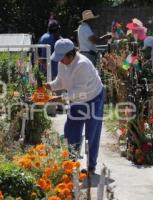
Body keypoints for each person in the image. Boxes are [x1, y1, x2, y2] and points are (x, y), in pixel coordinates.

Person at [44, 38, 105, 173]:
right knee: (71, 130)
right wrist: (49, 86)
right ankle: (71, 161)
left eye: (62, 57)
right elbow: (61, 81)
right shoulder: (63, 64)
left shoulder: (82, 64)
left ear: (71, 55)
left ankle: (91, 166)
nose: (60, 60)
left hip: (93, 97)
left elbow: (80, 91)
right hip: (77, 100)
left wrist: (61, 98)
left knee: (92, 133)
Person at [38, 16, 61, 80]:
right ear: (56, 30)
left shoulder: (43, 36)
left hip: (44, 70)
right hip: (51, 71)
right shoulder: (50, 38)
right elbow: (44, 58)